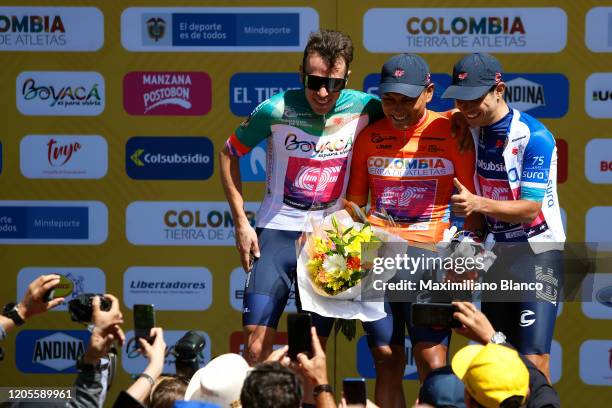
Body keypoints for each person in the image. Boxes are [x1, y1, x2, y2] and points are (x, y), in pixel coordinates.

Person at [219, 28, 384, 369]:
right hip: (276, 231)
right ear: (301, 75)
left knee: (311, 351)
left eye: (334, 83)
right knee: (254, 345)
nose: (323, 92)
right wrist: (240, 223)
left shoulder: (368, 107)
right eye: (314, 82)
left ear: (347, 77)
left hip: (330, 240)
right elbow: (228, 153)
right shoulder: (275, 109)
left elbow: (411, 123)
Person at [345, 53, 481, 407]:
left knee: (432, 362)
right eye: (389, 99)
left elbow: (474, 210)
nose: (397, 108)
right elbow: (354, 205)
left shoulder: (453, 132)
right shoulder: (368, 137)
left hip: (431, 262)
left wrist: (466, 255)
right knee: (385, 359)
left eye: (407, 99)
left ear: (430, 92)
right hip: (378, 263)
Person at [442, 53, 565, 382]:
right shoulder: (469, 123)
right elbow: (422, 118)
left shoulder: (534, 137)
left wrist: (476, 203)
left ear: (500, 90)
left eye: (474, 98)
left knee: (534, 357)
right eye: (460, 97)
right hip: (499, 254)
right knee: (498, 354)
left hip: (537, 253)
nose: (467, 106)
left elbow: (529, 209)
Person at [451, 301, 560, 408]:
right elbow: (539, 387)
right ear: (527, 392)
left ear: (468, 402)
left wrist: (493, 338)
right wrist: (492, 337)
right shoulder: (544, 400)